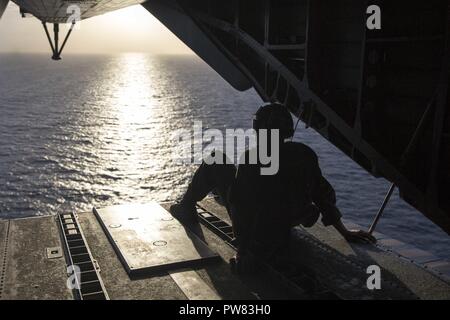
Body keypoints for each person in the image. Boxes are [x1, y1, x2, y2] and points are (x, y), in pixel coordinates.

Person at [170, 103, 375, 272]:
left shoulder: (252, 157)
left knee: (215, 159)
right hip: (292, 218)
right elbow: (323, 195)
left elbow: (241, 206)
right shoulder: (305, 153)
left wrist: (244, 251)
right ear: (288, 130)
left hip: (263, 227)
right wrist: (345, 232)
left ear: (258, 129)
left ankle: (186, 207)